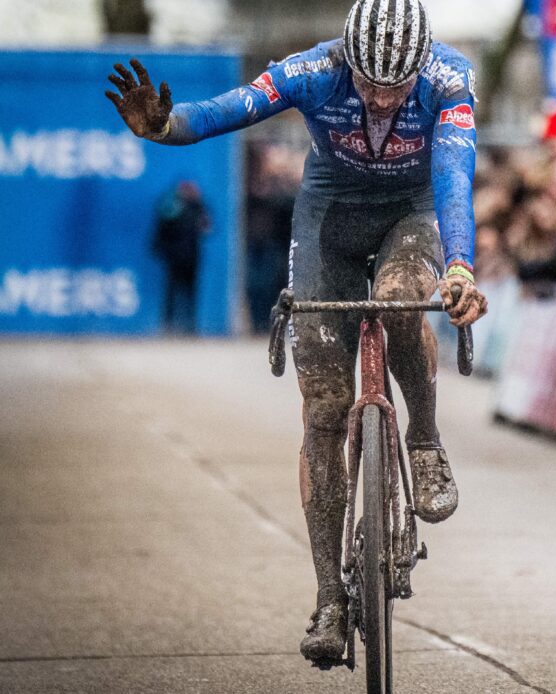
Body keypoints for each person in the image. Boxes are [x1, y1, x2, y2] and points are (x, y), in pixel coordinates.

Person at [105, 0, 488, 663]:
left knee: (401, 302)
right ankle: (330, 602)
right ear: (347, 59)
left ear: (420, 68)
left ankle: (423, 436)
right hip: (328, 219)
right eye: (366, 81)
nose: (376, 96)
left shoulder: (449, 81)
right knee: (324, 408)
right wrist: (165, 126)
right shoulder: (313, 69)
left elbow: (454, 177)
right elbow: (230, 109)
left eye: (393, 87)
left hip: (412, 214)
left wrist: (458, 267)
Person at [152, 180, 209, 334]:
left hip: (191, 256)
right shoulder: (171, 206)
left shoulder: (198, 207)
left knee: (190, 293)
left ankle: (190, 326)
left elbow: (207, 227)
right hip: (175, 256)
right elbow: (163, 226)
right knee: (171, 292)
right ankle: (168, 325)